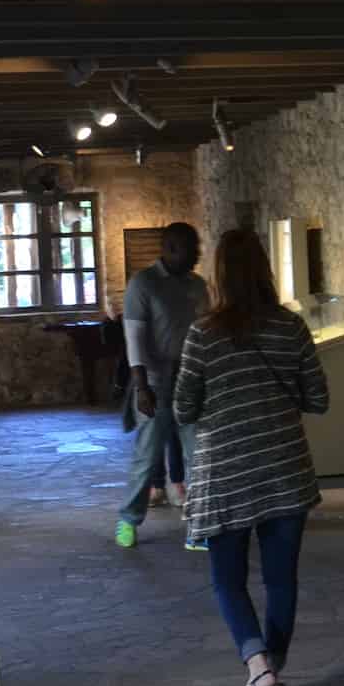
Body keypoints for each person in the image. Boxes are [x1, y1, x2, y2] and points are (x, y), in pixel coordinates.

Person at [174, 228, 330, 686]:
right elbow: (319, 399)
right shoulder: (291, 328)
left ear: (219, 275)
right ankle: (272, 670)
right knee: (281, 580)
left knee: (228, 580)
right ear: (265, 270)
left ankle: (258, 668)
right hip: (285, 467)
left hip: (226, 474)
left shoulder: (203, 334)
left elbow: (182, 408)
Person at [116, 223, 209, 552]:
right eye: (191, 248)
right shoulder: (144, 285)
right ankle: (128, 519)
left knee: (199, 455)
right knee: (148, 456)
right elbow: (134, 340)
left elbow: (206, 332)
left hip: (192, 379)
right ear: (170, 248)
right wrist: (142, 388)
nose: (198, 254)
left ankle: (199, 527)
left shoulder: (197, 286)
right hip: (155, 380)